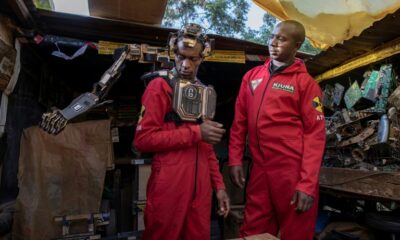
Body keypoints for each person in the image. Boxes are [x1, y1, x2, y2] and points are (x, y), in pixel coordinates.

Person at [229, 20, 326, 240]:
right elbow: (239, 122)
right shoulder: (251, 77)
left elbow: (316, 136)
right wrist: (235, 159)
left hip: (291, 172)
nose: (273, 43)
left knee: (296, 232)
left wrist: (307, 185)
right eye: (272, 36)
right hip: (259, 169)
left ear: (297, 45)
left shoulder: (307, 85)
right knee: (253, 230)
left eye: (281, 39)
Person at [134, 24, 230, 240]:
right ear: (173, 53)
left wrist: (220, 187)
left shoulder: (204, 92)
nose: (186, 64)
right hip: (169, 184)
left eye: (193, 59)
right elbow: (143, 140)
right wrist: (196, 133)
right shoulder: (159, 87)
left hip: (201, 189)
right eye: (180, 56)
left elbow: (207, 147)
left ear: (202, 58)